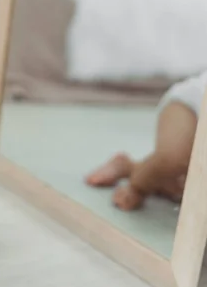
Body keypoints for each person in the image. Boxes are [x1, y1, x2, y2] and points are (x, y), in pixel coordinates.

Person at [86, 70, 207, 211]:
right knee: (173, 157)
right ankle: (138, 186)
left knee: (189, 188)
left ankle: (130, 167)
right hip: (190, 107)